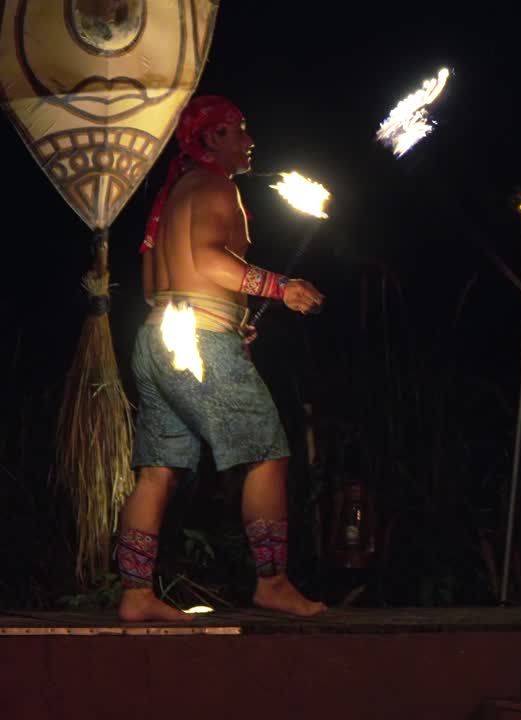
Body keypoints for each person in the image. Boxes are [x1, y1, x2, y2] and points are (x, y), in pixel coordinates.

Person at [115, 95, 327, 622]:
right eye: (239, 130)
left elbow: (153, 282)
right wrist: (280, 287)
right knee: (267, 453)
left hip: (157, 339)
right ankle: (272, 582)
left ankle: (136, 594)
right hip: (201, 346)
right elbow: (209, 258)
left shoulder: (174, 195)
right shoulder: (214, 186)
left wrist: (231, 314)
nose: (250, 141)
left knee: (158, 471)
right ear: (211, 138)